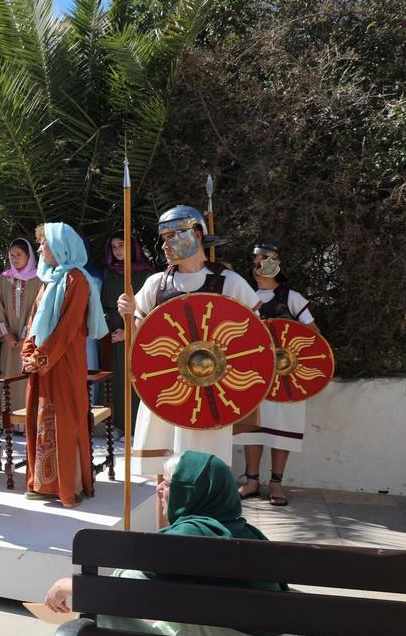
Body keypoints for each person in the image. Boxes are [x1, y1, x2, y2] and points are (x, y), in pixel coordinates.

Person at [44, 451, 299, 636]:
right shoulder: (249, 534)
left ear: (189, 493)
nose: (159, 489)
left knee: (103, 618)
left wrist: (73, 586)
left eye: (168, 484)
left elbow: (123, 587)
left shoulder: (192, 536)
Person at [117, 206, 260, 484]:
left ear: (196, 234)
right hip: (168, 388)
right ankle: (165, 528)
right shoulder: (156, 284)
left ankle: (203, 527)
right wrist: (129, 314)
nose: (164, 244)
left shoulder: (229, 283)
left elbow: (254, 341)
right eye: (163, 237)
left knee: (209, 474)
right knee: (164, 476)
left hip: (211, 388)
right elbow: (141, 342)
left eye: (172, 235)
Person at [20, 224, 108, 506]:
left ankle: (69, 487)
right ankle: (43, 483)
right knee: (41, 418)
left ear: (60, 247)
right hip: (43, 363)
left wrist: (40, 358)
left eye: (45, 244)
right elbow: (33, 322)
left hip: (65, 361)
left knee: (65, 421)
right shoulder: (47, 281)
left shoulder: (77, 281)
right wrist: (28, 352)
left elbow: (68, 328)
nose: (41, 249)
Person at [234, 244, 316, 507]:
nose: (256, 269)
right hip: (253, 376)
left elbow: (314, 337)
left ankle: (277, 483)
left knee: (282, 430)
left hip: (286, 377)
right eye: (253, 263)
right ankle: (252, 481)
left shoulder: (292, 298)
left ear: (275, 265)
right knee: (252, 430)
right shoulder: (245, 297)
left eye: (262, 263)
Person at [99, 233, 153, 435]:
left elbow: (148, 309)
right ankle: (120, 425)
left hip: (134, 331)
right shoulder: (109, 272)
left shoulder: (146, 273)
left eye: (122, 245)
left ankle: (136, 429)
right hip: (111, 332)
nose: (118, 250)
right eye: (114, 247)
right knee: (117, 380)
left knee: (134, 378)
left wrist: (128, 332)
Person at [0, 238, 44, 412]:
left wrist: (25, 336)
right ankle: (7, 420)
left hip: (30, 340)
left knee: (27, 377)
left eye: (19, 255)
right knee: (7, 376)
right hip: (9, 342)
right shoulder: (4, 279)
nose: (15, 258)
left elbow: (37, 309)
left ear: (29, 256)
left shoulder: (39, 279)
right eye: (12, 255)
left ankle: (26, 421)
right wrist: (6, 334)